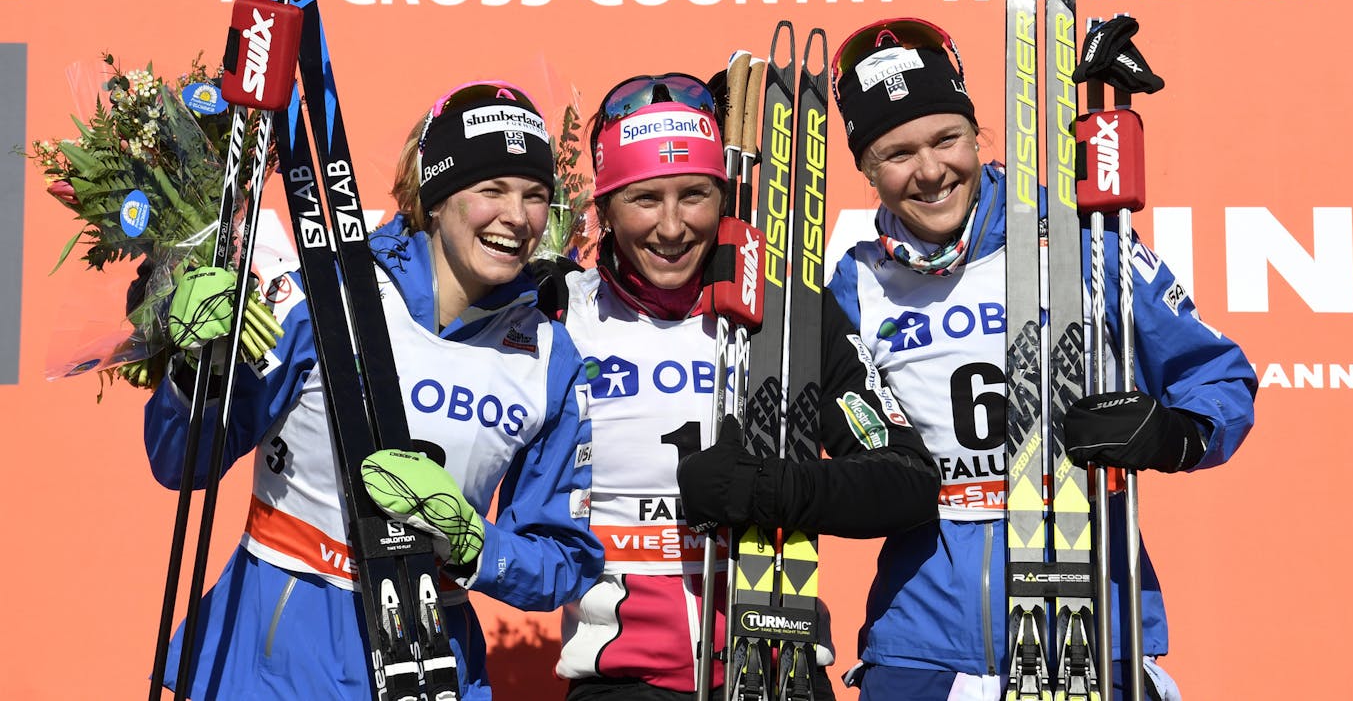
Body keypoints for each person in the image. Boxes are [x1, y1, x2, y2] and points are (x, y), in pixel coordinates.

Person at [796, 17, 1257, 700]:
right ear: (866, 167)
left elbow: (1217, 375)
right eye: (897, 154)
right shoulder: (854, 285)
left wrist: (1172, 434)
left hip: (1089, 617)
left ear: (975, 133)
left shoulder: (1079, 238)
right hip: (918, 640)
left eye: (946, 139)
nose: (929, 172)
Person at [145, 81, 604, 700]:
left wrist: (473, 541)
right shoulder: (325, 293)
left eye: (535, 196)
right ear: (437, 197)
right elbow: (182, 462)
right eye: (491, 190)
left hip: (425, 658)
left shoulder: (548, 355)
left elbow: (564, 561)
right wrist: (194, 369)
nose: (517, 218)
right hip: (274, 653)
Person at [540, 73, 941, 700]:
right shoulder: (561, 314)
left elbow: (907, 482)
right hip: (622, 681)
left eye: (694, 194)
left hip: (779, 666)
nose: (672, 228)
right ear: (606, 207)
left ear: (723, 197)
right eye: (644, 198)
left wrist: (769, 489)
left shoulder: (789, 319)